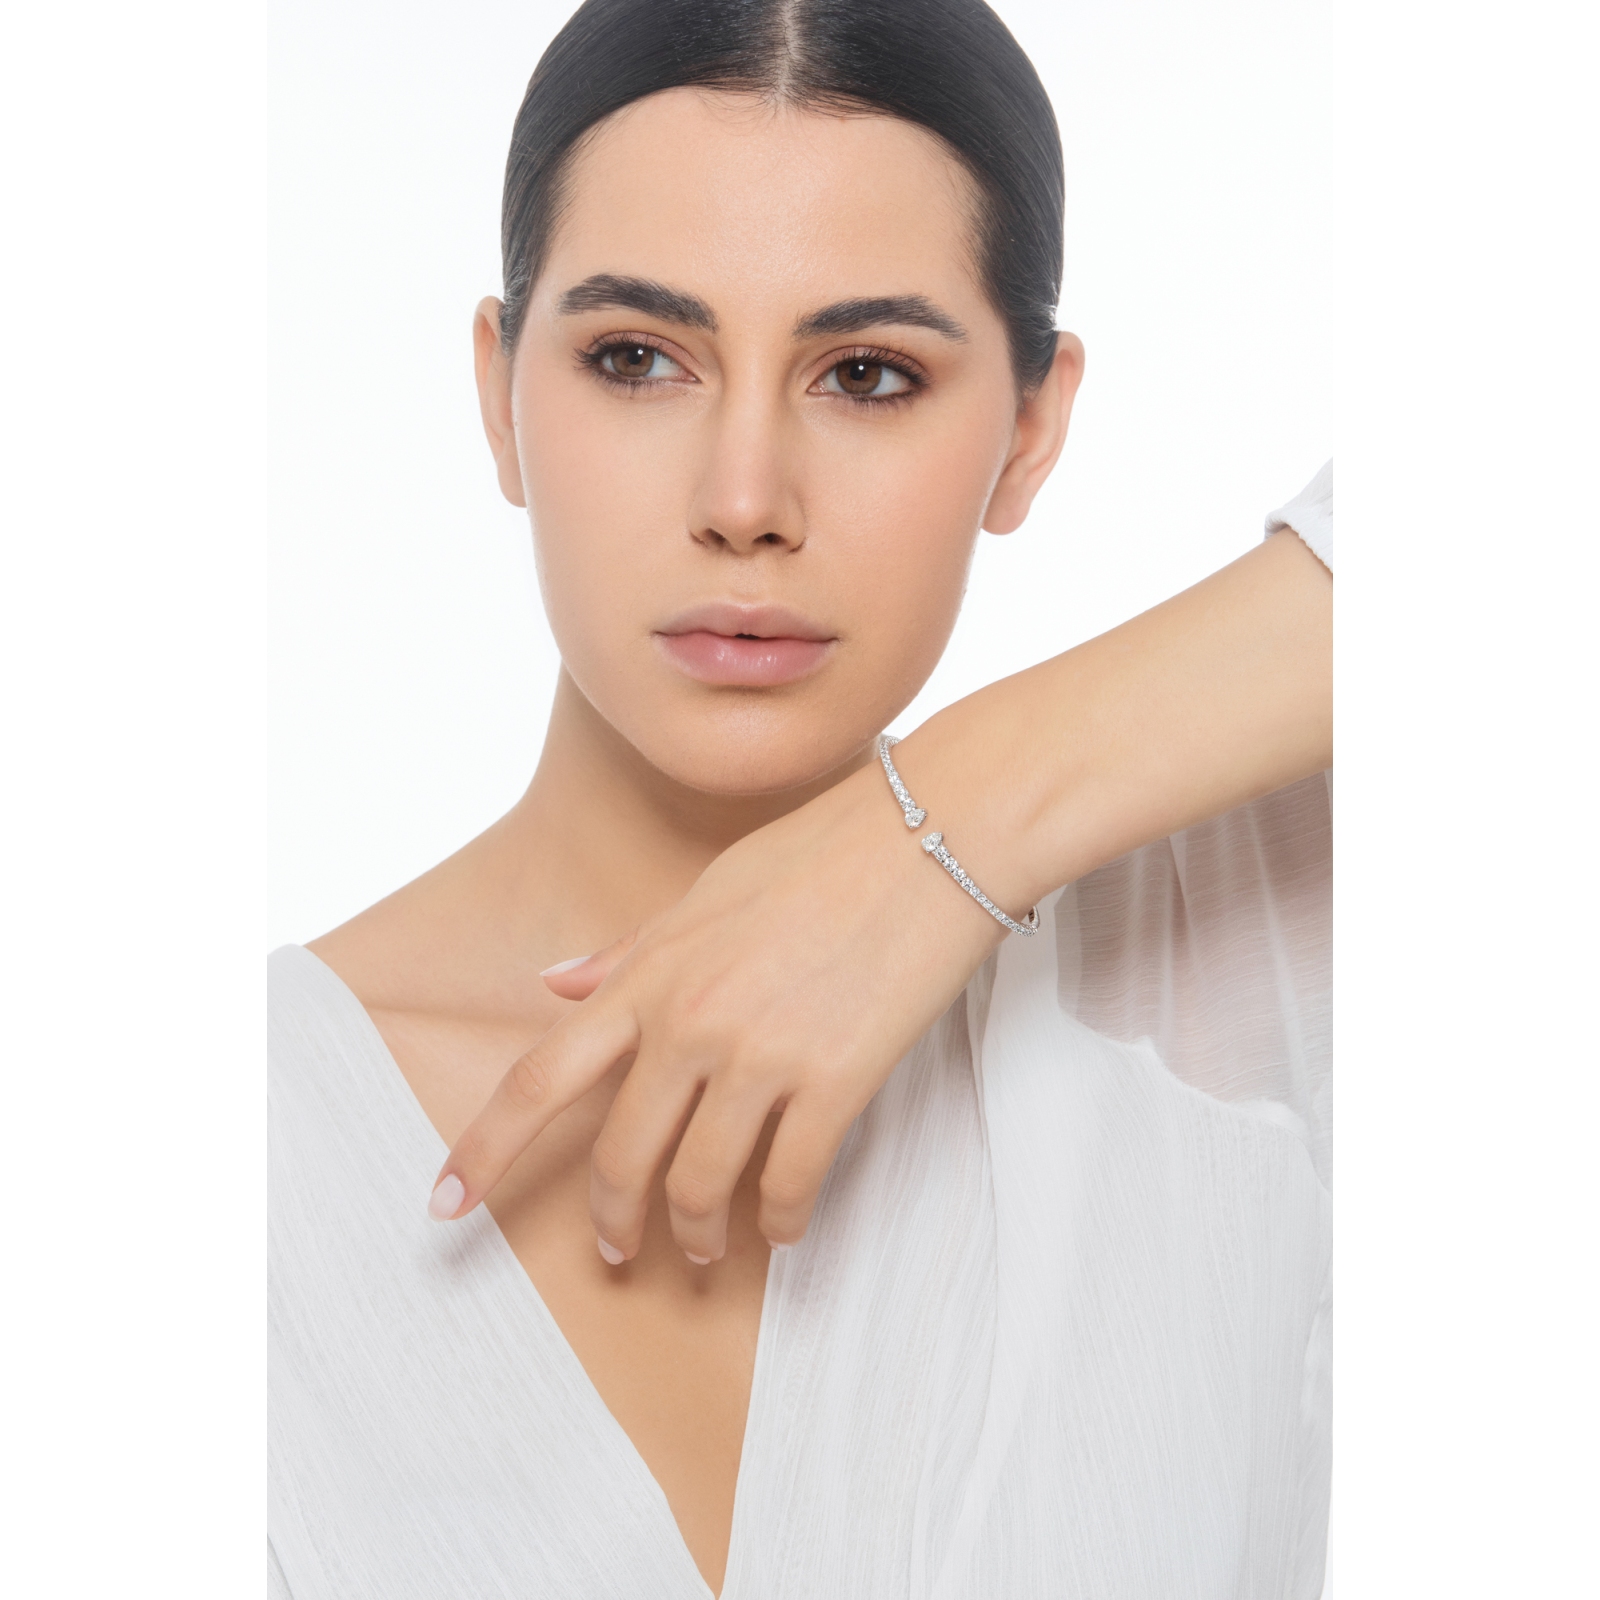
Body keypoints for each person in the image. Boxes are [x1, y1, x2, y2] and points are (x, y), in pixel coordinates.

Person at [269, 1, 1332, 1594]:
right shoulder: (213, 1150)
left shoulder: (1213, 1001)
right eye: (637, 359)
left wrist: (943, 833)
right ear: (500, 396)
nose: (745, 499)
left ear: (1031, 429)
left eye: (868, 373)